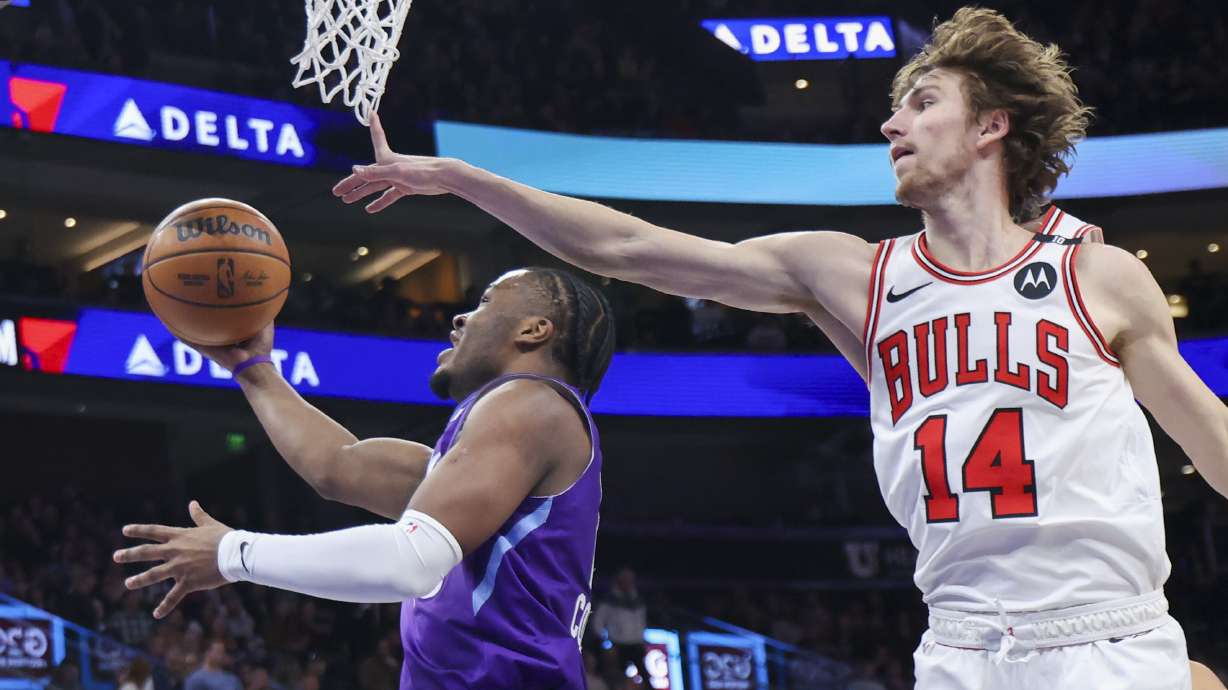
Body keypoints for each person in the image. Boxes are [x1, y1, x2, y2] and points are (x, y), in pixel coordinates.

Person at [333, 8, 1228, 688]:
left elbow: (1212, 444)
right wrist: (453, 178)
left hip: (1106, 636)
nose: (892, 125)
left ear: (992, 126)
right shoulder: (852, 277)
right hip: (958, 644)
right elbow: (628, 248)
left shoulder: (1095, 275)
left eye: (922, 103)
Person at [115, 268, 615, 689]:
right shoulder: (494, 452)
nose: (462, 317)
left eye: (485, 301)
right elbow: (339, 465)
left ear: (534, 331)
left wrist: (233, 553)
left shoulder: (533, 403)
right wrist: (253, 369)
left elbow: (408, 562)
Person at [590, 566, 648, 688]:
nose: (628, 582)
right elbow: (597, 623)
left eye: (631, 579)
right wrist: (607, 643)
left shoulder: (638, 600)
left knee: (646, 679)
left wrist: (642, 641)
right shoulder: (609, 601)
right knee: (615, 679)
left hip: (636, 645)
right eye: (626, 579)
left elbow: (641, 624)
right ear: (619, 580)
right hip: (617, 646)